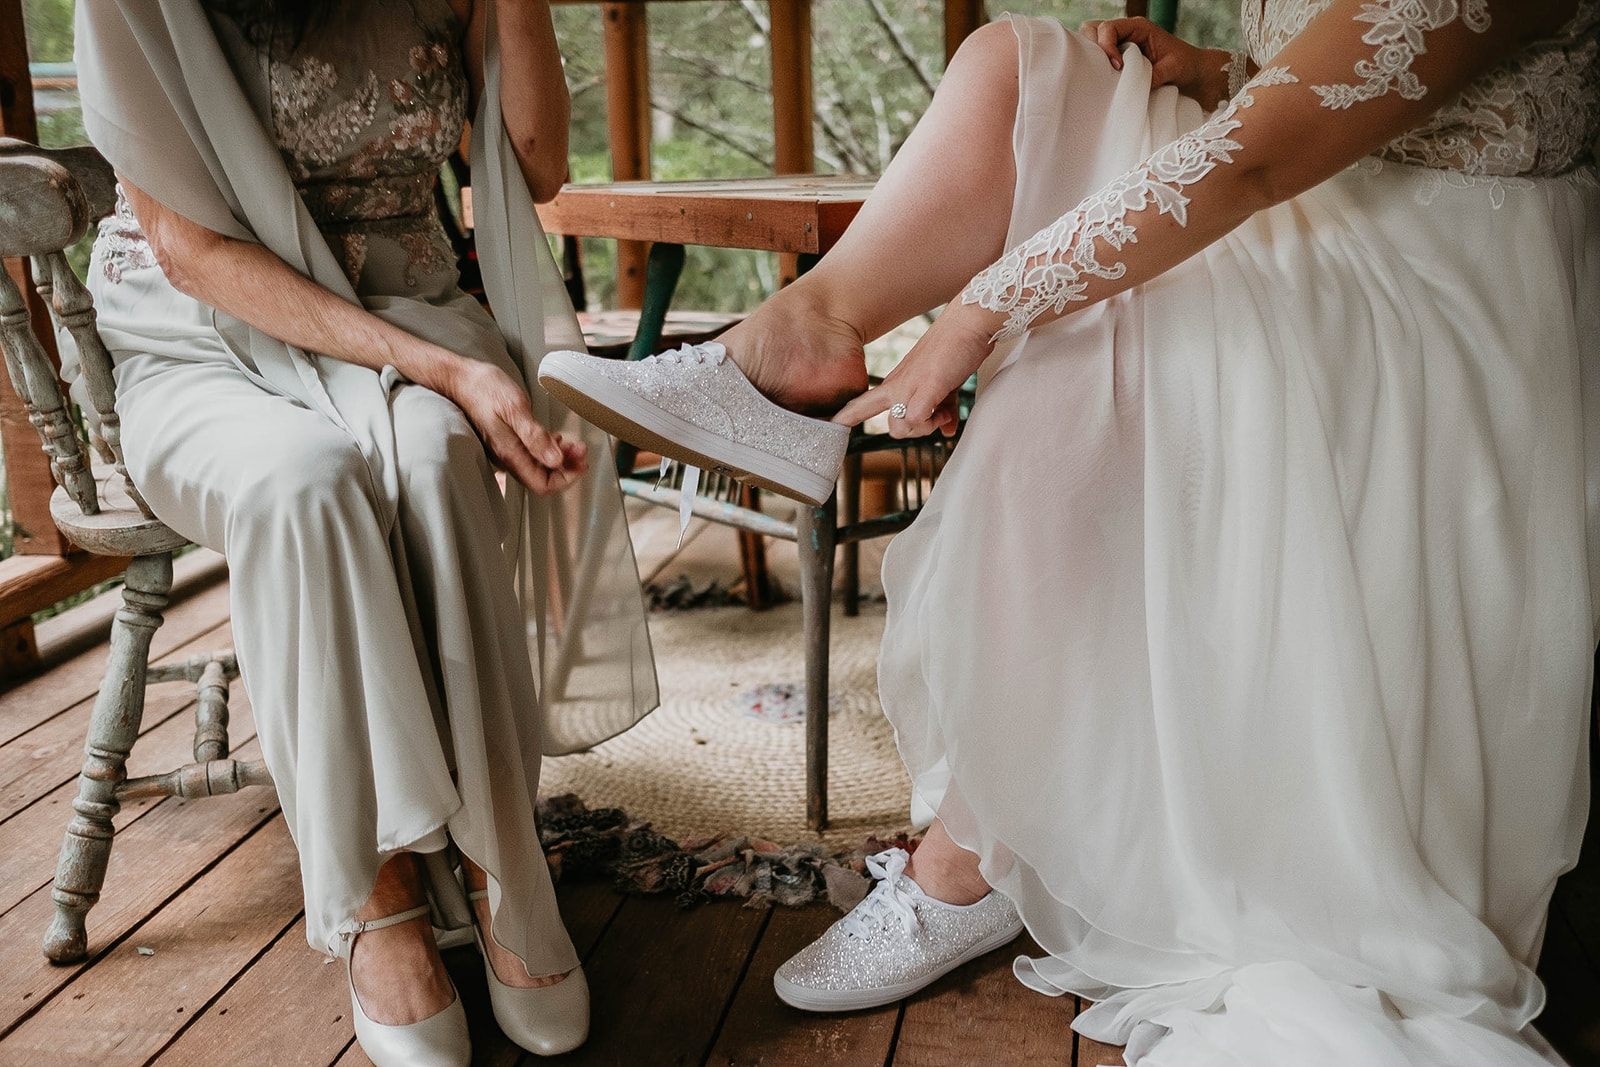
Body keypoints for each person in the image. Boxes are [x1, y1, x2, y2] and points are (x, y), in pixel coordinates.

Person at [539, 1, 1600, 1061]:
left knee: (1066, 369)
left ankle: (973, 854)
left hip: (1432, 277)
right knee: (1019, 61)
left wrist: (978, 310)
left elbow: (1258, 161)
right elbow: (1348, 80)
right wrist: (1227, 64)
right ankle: (796, 336)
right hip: (1313, 203)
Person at [71, 1, 658, 1063]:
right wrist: (444, 370)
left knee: (434, 461)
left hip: (412, 298)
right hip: (203, 340)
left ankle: (499, 866)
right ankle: (379, 900)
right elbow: (194, 250)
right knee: (308, 483)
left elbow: (531, 168)